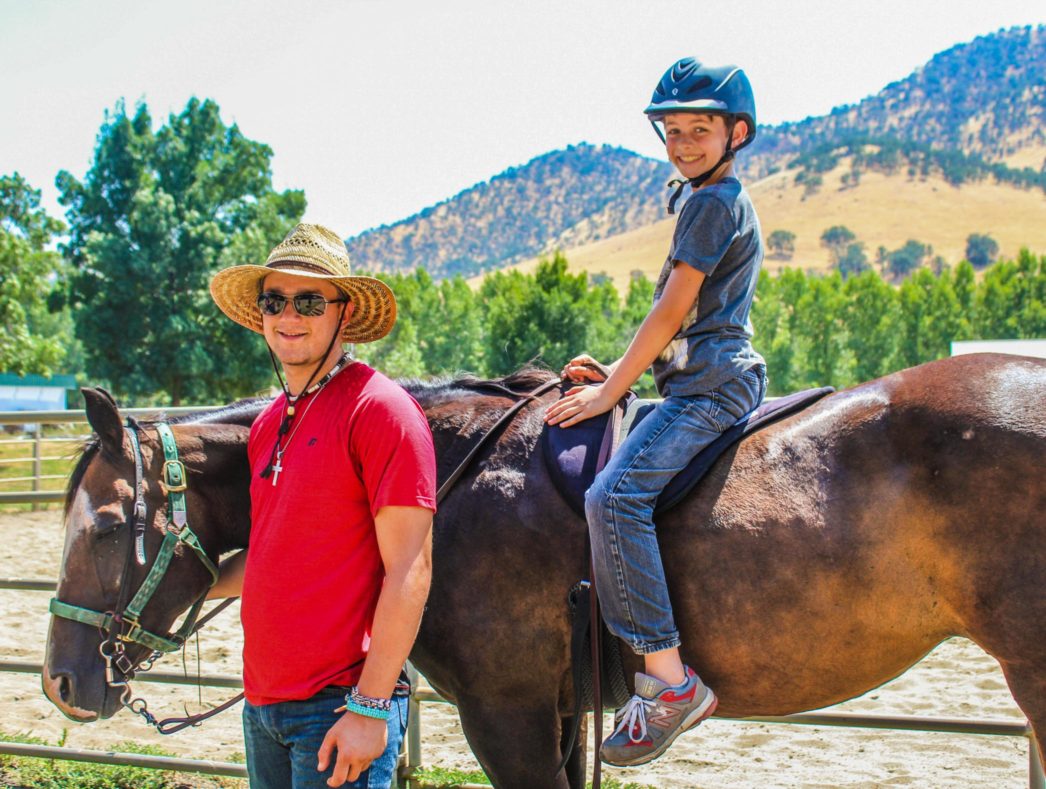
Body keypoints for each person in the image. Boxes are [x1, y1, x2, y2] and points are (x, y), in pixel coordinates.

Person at [544, 57, 768, 767]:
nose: (681, 143)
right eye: (671, 130)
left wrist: (611, 393)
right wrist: (617, 370)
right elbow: (685, 315)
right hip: (699, 375)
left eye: (699, 129)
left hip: (709, 387)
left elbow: (673, 309)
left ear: (737, 132)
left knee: (612, 497)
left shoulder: (710, 202)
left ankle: (670, 681)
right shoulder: (708, 196)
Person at [207, 223, 437, 789]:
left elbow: (411, 568)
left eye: (309, 300)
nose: (289, 315)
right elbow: (269, 556)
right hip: (263, 704)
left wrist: (371, 707)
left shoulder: (380, 411)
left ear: (344, 310)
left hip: (339, 707)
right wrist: (193, 580)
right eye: (275, 300)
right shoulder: (267, 425)